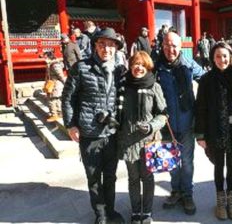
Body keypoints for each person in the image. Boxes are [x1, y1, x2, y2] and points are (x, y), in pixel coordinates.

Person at [62, 27, 126, 224]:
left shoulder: (119, 70)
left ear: (116, 48)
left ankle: (111, 210)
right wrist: (71, 125)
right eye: (102, 44)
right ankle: (101, 215)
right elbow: (67, 97)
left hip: (112, 132)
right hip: (89, 133)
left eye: (111, 45)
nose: (106, 49)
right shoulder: (81, 68)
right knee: (94, 179)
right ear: (95, 46)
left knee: (110, 176)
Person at [155, 31, 205, 215]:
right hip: (166, 124)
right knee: (171, 160)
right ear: (162, 46)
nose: (171, 49)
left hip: (186, 121)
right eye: (167, 45)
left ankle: (187, 194)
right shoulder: (157, 66)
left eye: (174, 45)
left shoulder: (188, 64)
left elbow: (206, 80)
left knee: (186, 161)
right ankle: (175, 190)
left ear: (180, 46)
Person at [195, 42, 232, 220]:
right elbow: (200, 107)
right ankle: (220, 200)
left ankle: (231, 200)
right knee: (219, 166)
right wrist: (200, 135)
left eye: (225, 56)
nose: (222, 60)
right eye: (217, 56)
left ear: (231, 56)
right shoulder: (207, 79)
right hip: (214, 130)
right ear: (212, 58)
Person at [117, 51, 167, 224]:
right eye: (135, 64)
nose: (138, 68)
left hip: (148, 141)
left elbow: (163, 114)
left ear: (147, 66)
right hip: (128, 140)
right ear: (130, 66)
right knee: (133, 178)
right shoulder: (124, 85)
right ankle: (135, 210)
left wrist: (152, 126)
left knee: (147, 177)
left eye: (141, 65)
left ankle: (147, 211)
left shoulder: (154, 86)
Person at [43, 51, 66, 122]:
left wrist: (65, 83)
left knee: (51, 99)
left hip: (55, 84)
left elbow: (60, 75)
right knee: (57, 99)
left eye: (45, 57)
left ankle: (54, 114)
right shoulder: (51, 64)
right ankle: (59, 113)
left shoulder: (54, 65)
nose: (45, 58)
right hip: (53, 84)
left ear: (50, 57)